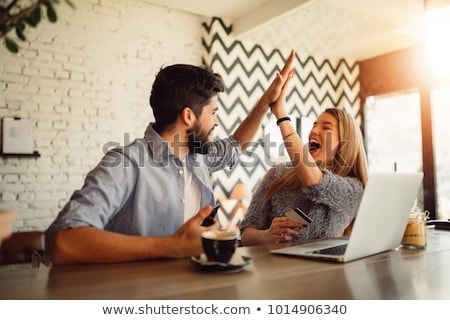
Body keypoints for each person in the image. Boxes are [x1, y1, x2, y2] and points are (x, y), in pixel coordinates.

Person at [45, 51, 296, 264]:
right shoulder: (126, 163)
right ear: (189, 116)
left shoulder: (197, 157)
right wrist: (173, 246)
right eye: (213, 112)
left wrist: (267, 102)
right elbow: (62, 242)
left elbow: (235, 145)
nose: (217, 121)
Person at [239, 74, 369, 246]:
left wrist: (280, 113)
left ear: (345, 142)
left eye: (326, 127)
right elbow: (247, 233)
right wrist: (266, 236)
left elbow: (315, 182)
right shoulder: (277, 173)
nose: (314, 131)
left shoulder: (354, 189)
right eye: (314, 125)